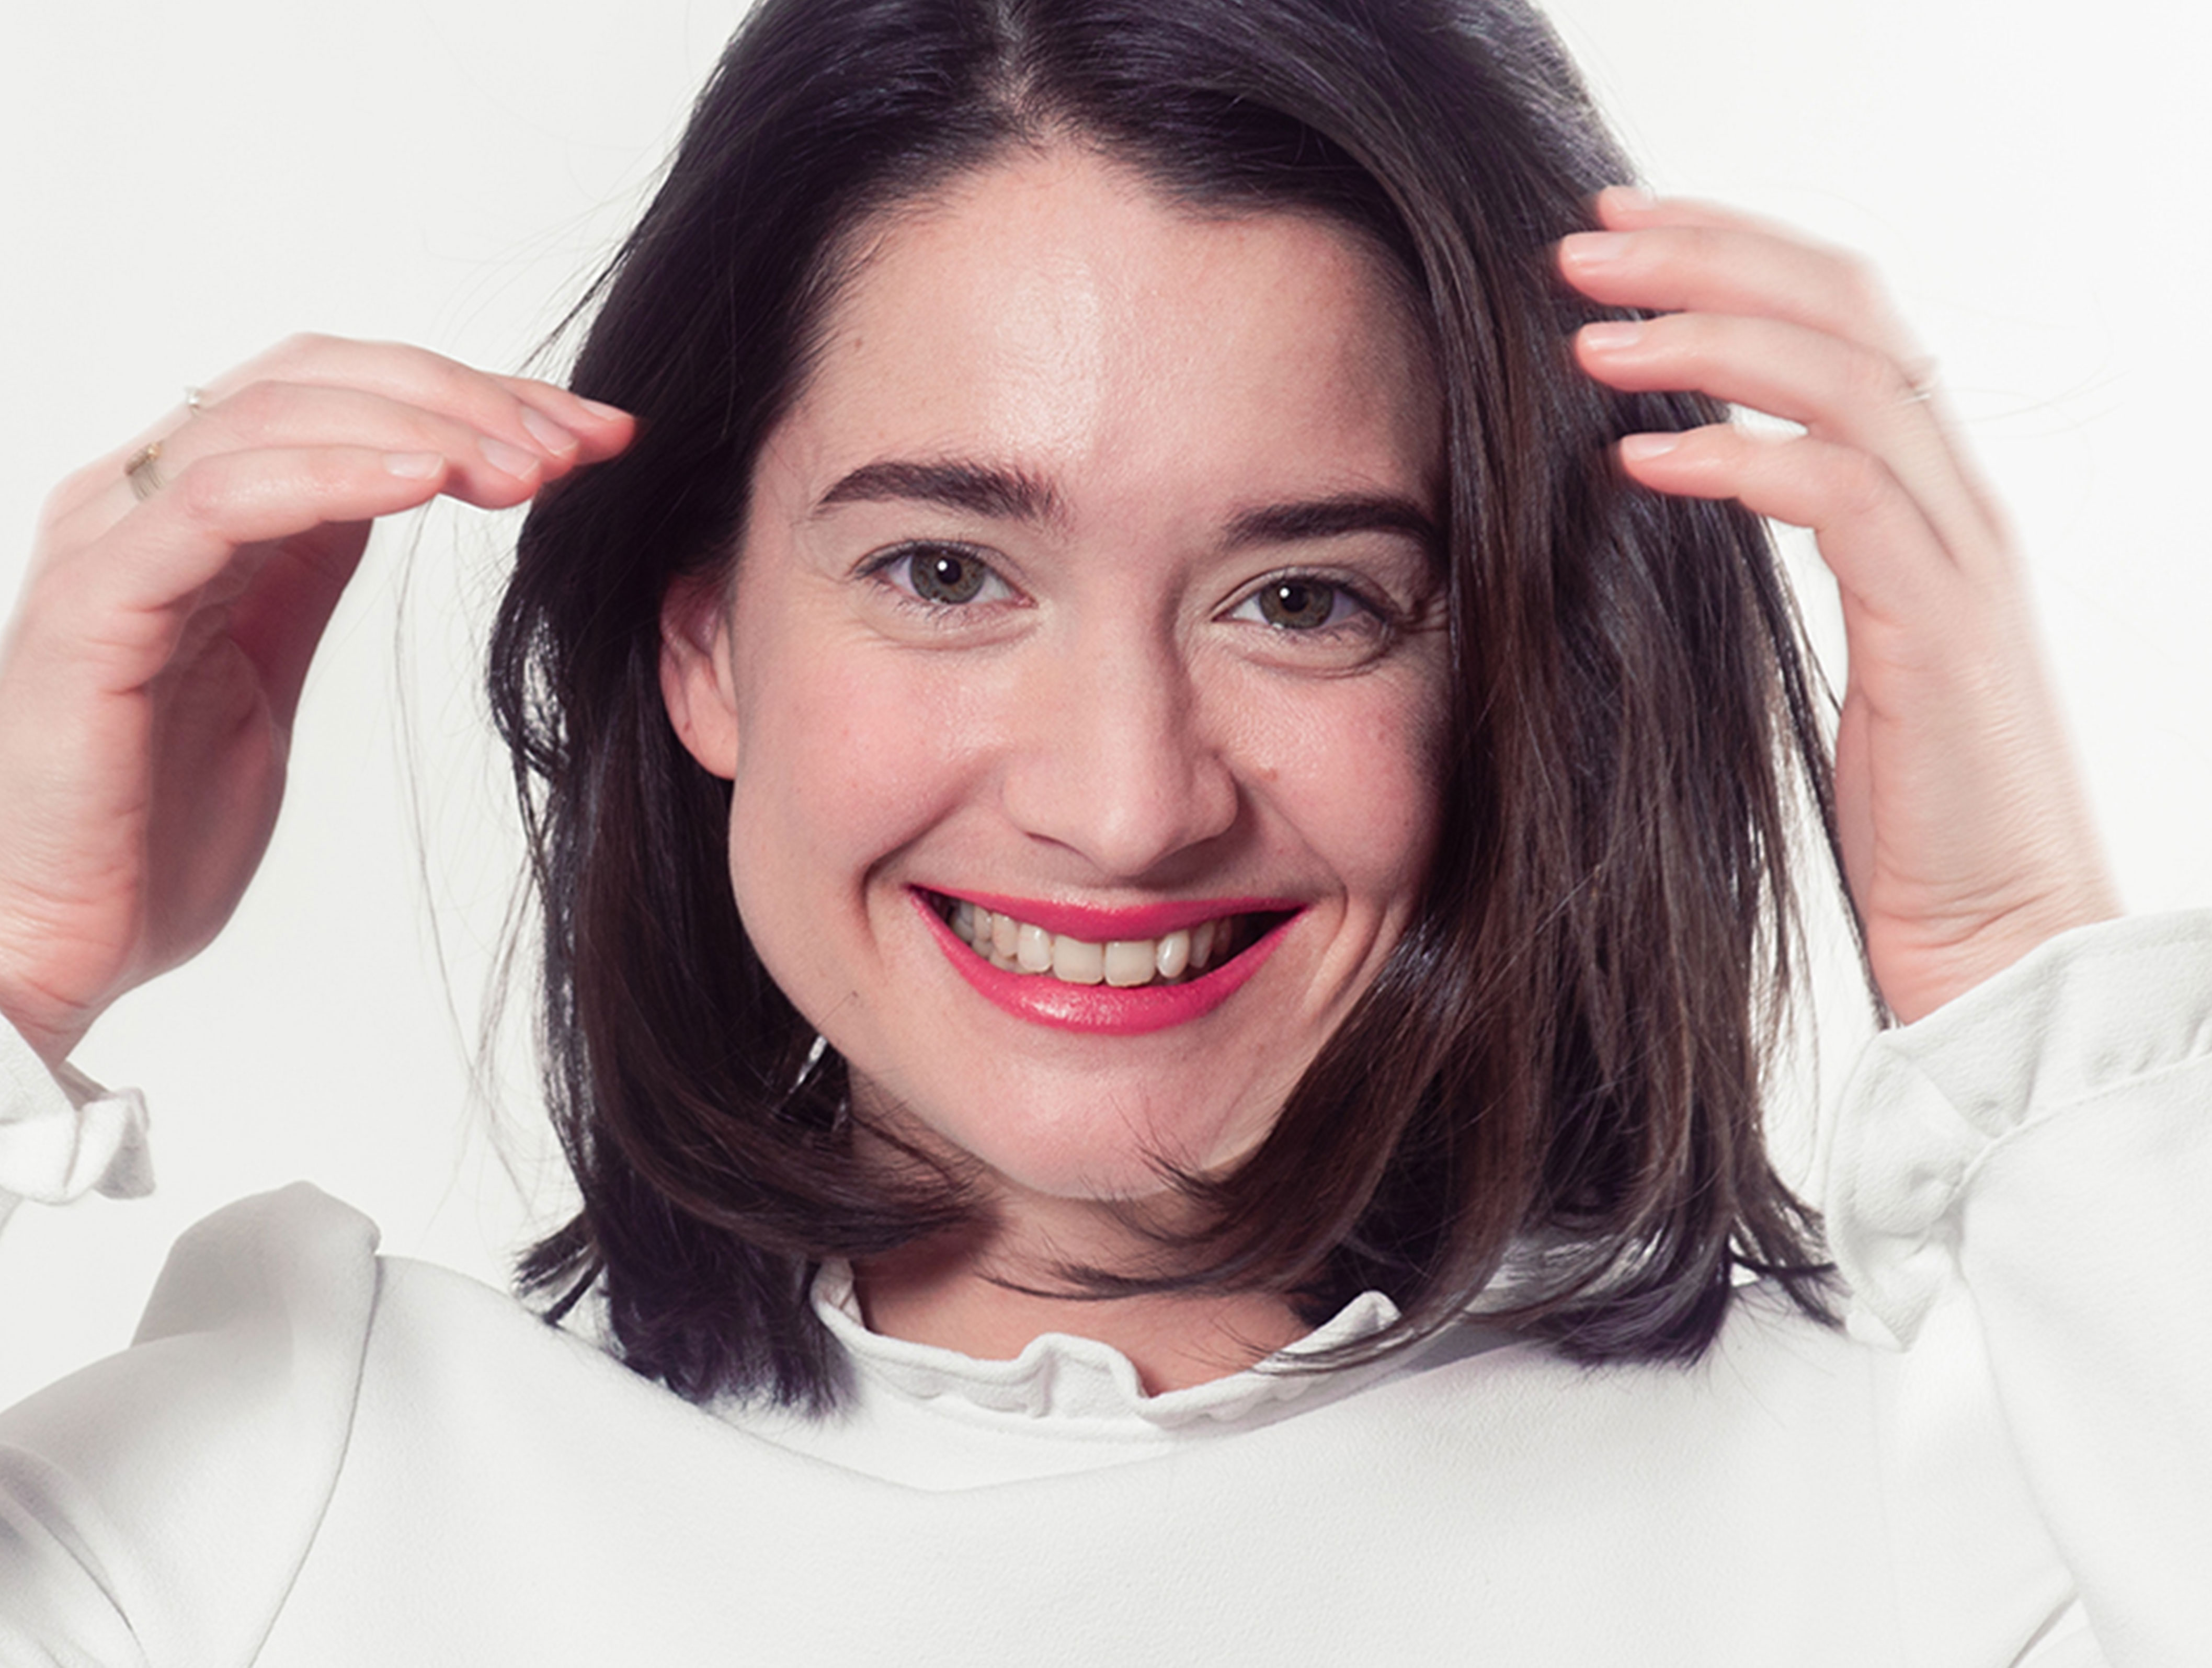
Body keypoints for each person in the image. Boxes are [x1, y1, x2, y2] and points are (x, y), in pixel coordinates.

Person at [0, 0, 2204, 1659]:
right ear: (699, 651)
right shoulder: (289, 1483)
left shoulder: (1953, 1522)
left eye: (1307, 600)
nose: (1125, 801)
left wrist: (2014, 950)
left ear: (1517, 679)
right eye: (946, 572)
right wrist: (16, 941)